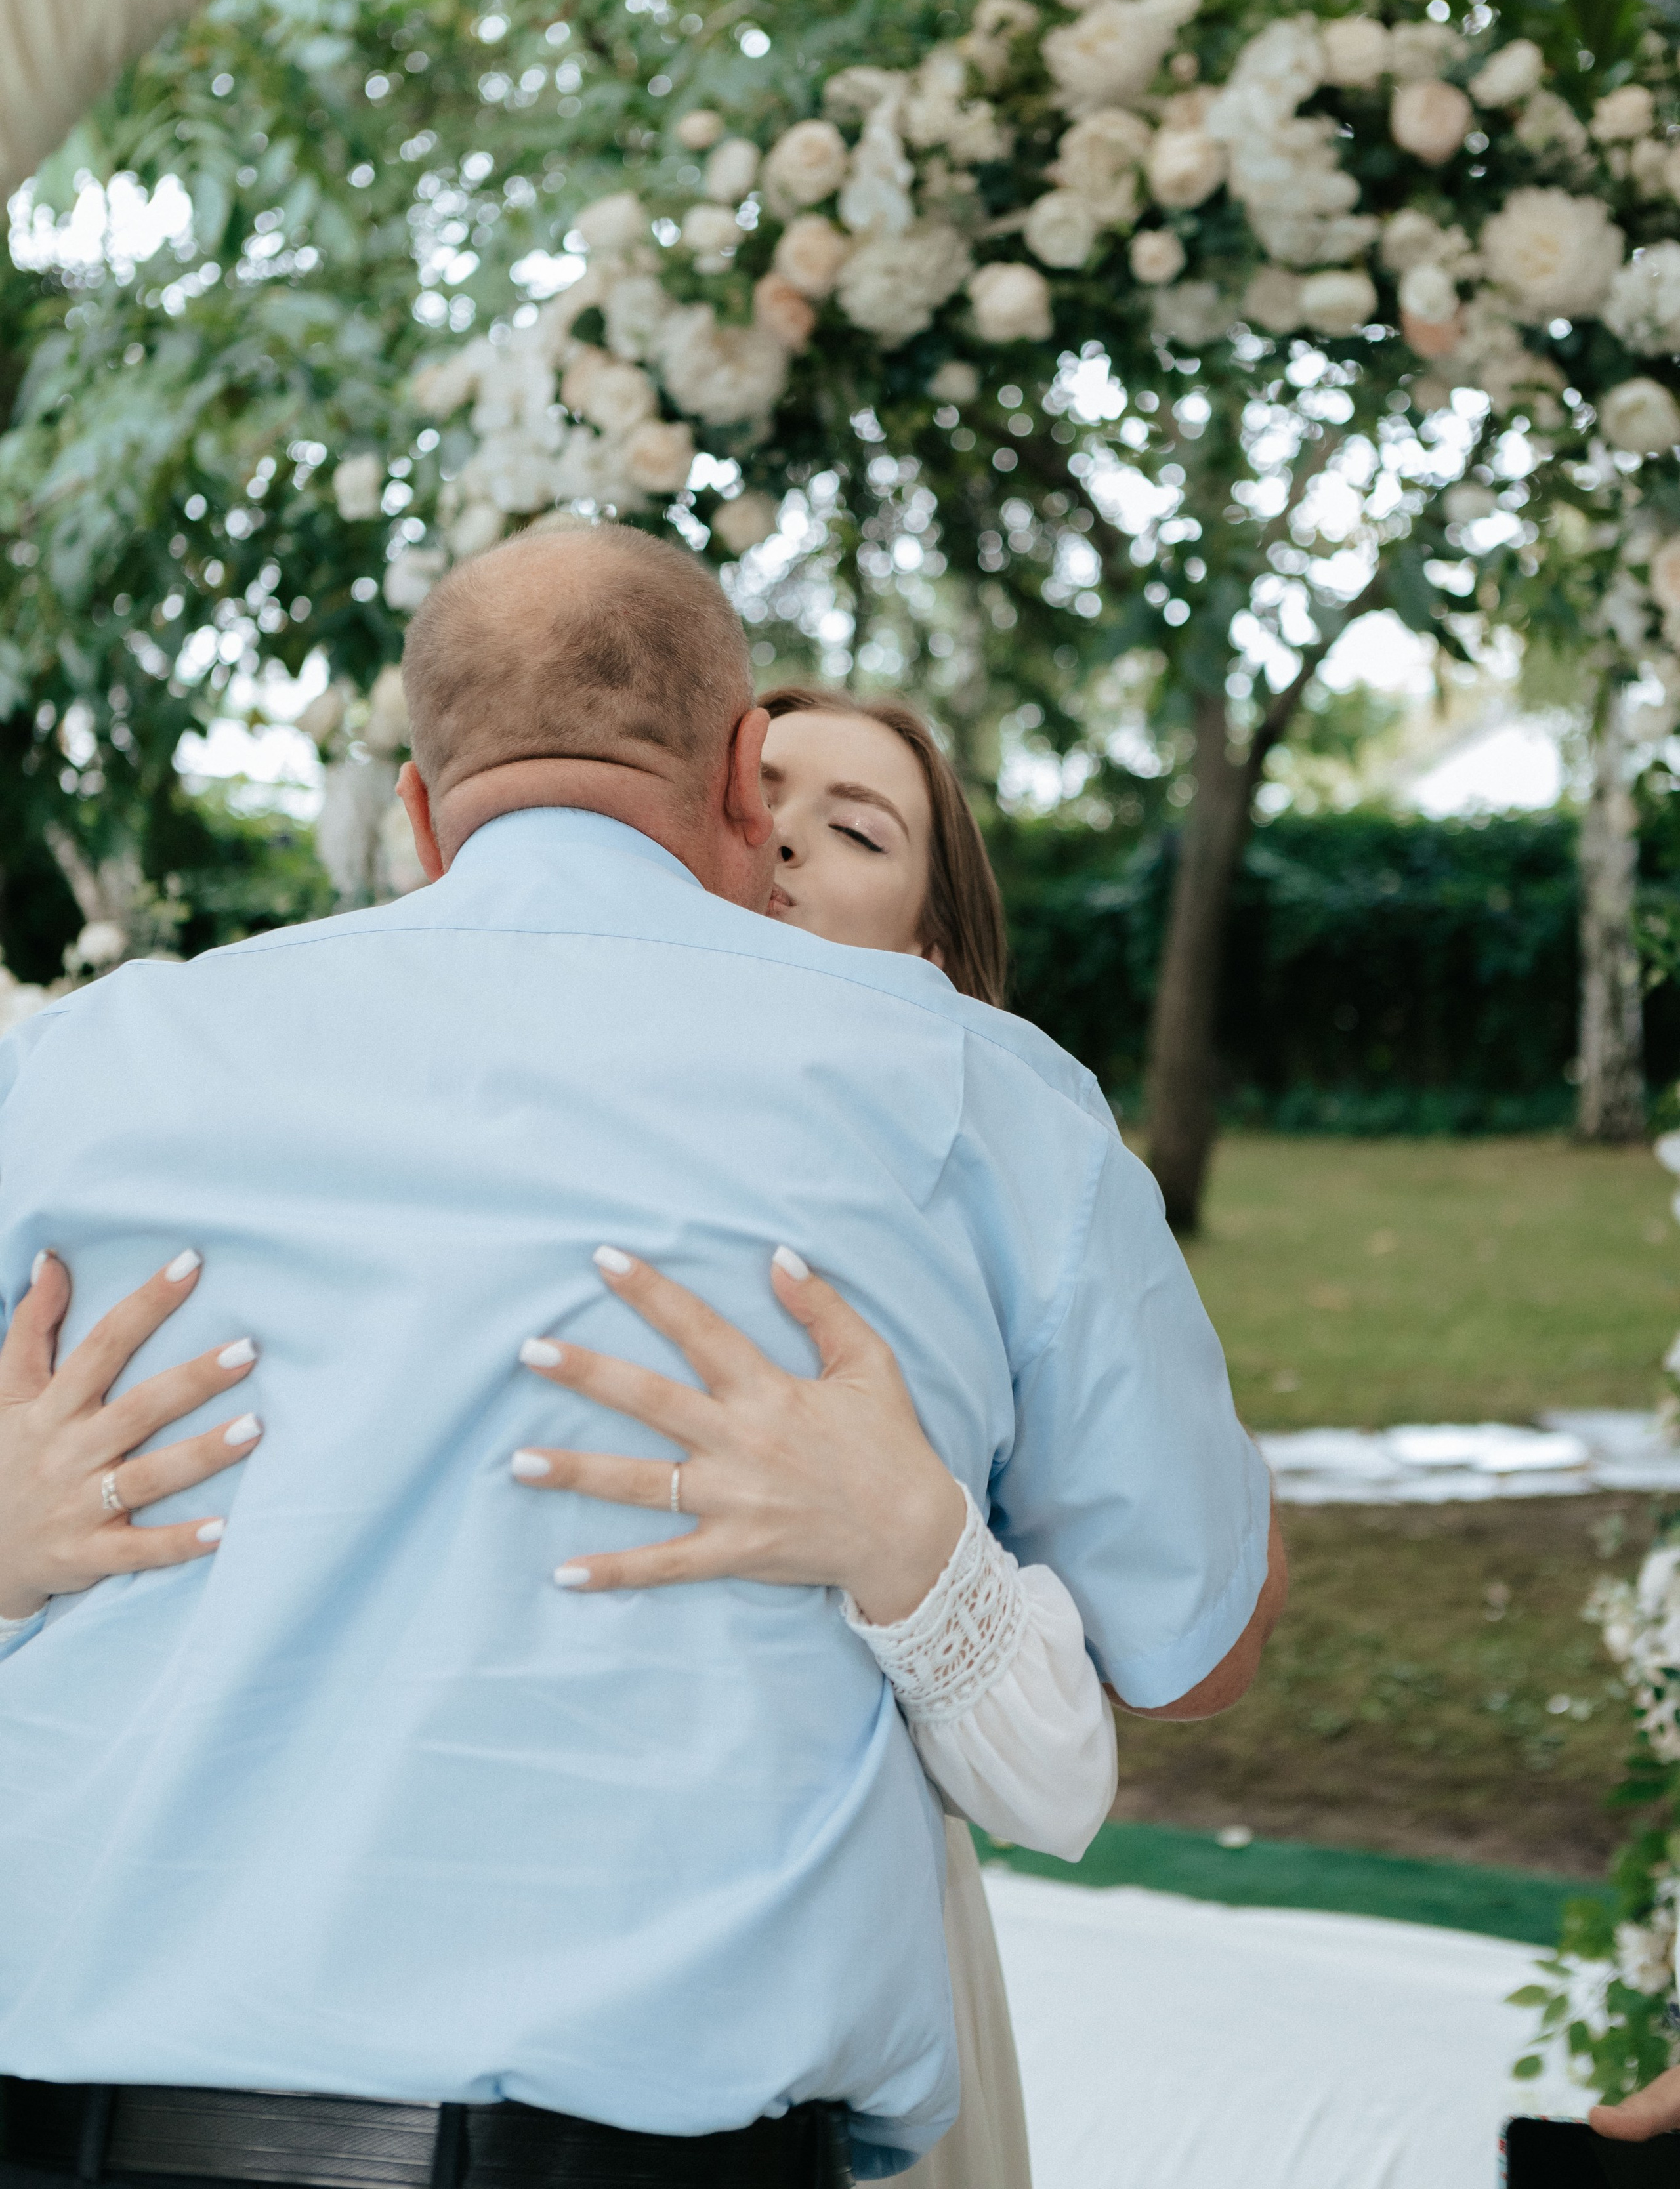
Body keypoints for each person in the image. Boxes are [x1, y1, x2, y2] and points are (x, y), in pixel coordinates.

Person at [0, 522, 1282, 2188]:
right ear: (746, 781)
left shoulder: (92, 1061)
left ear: (415, 815)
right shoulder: (973, 1092)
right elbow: (1196, 1646)